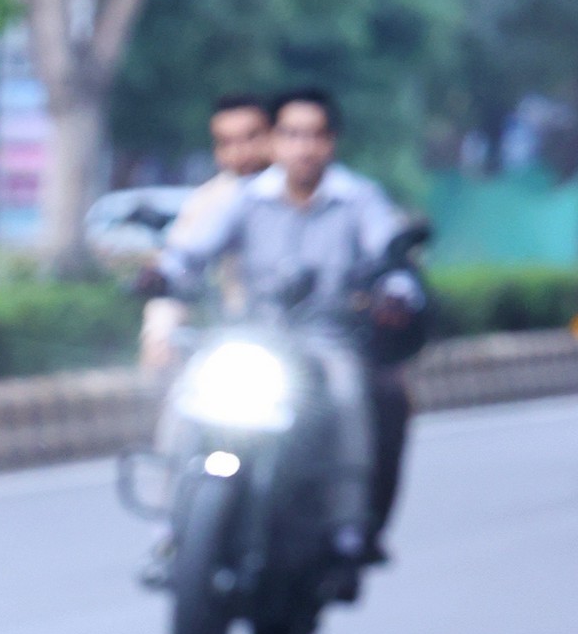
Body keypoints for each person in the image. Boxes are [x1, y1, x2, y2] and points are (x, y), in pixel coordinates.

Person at [157, 87, 421, 562]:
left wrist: (397, 292)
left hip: (328, 342)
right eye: (292, 134)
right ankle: (175, 518)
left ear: (332, 142)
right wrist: (162, 273)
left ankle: (346, 524)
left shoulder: (358, 199)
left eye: (315, 135)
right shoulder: (245, 199)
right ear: (274, 141)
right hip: (252, 339)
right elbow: (191, 252)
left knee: (348, 396)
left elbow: (391, 259)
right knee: (188, 393)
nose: (304, 147)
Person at [137, 93, 271, 368]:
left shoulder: (303, 196)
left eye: (251, 137)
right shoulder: (207, 202)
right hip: (234, 334)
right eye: (226, 142)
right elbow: (180, 263)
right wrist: (160, 332)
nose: (239, 152)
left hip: (302, 333)